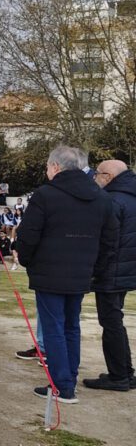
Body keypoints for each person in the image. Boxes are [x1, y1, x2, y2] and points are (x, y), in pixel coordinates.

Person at [13, 146, 117, 404]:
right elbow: (110, 241)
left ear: (56, 167)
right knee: (70, 326)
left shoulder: (45, 195)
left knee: (55, 329)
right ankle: (67, 379)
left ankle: (62, 385)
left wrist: (26, 259)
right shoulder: (102, 197)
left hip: (51, 273)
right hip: (80, 273)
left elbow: (28, 234)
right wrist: (95, 270)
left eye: (48, 166)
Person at [84, 160, 136, 391]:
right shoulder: (130, 197)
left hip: (112, 271)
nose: (94, 178)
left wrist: (95, 272)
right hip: (126, 269)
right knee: (116, 321)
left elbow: (108, 242)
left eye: (97, 174)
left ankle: (118, 376)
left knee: (111, 323)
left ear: (108, 176)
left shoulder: (113, 200)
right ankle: (125, 372)